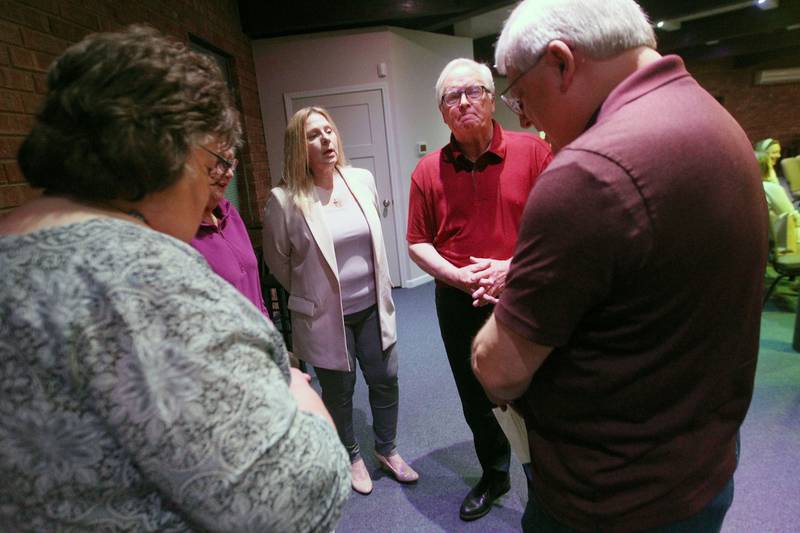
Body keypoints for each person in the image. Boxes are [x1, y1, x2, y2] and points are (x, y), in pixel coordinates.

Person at [0, 26, 349, 532]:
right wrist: (297, 391)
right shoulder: (145, 278)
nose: (215, 185)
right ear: (172, 150)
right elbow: (295, 499)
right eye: (214, 161)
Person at [471, 1, 767, 532]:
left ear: (561, 63)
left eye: (520, 94)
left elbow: (500, 369)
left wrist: (517, 292)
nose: (524, 117)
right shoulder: (713, 116)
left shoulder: (589, 170)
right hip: (701, 464)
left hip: (611, 499)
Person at [406, 57, 552, 521]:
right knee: (476, 393)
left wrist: (512, 267)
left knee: (540, 387)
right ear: (442, 111)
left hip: (525, 294)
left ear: (492, 100)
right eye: (452, 96)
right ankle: (495, 473)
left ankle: (548, 479)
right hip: (458, 300)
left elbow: (559, 228)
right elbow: (417, 243)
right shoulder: (427, 171)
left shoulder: (534, 153)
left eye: (473, 92)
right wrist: (457, 275)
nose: (464, 101)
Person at [263, 106, 417, 496]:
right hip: (325, 317)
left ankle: (387, 449)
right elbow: (278, 261)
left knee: (385, 379)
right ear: (298, 146)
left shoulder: (360, 180)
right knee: (340, 390)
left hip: (370, 306)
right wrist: (314, 292)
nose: (326, 140)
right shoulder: (284, 200)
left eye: (328, 131)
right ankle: (351, 454)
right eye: (314, 135)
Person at [190, 147, 271, 318]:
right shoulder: (183, 231)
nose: (230, 174)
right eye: (222, 162)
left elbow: (254, 288)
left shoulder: (229, 213)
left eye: (231, 164)